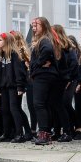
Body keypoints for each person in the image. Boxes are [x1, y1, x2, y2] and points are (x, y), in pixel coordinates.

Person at [28, 17, 60, 146]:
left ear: (44, 26)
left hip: (43, 75)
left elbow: (47, 51)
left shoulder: (45, 40)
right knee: (44, 104)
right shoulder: (43, 40)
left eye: (37, 25)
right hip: (45, 75)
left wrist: (37, 64)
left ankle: (44, 134)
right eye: (33, 25)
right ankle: (45, 133)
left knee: (39, 104)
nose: (34, 27)